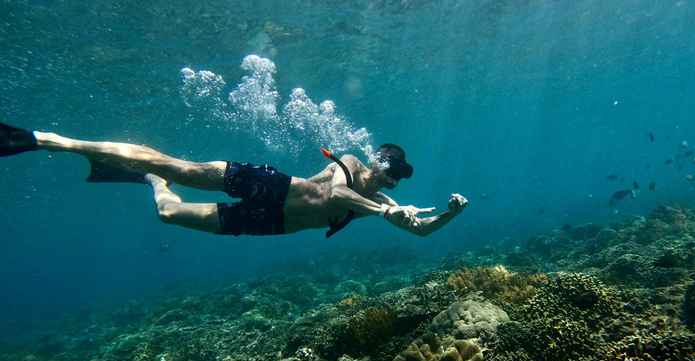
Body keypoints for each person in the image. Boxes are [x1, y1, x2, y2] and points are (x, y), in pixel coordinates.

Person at [0, 122, 467, 238]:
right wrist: (387, 209)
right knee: (175, 166)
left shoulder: (382, 199)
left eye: (400, 175)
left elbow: (420, 230)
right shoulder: (348, 164)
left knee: (168, 212)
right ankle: (44, 139)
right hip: (268, 186)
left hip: (268, 225)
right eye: (392, 166)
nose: (393, 178)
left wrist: (447, 213)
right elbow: (332, 193)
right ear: (377, 158)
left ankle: (144, 178)